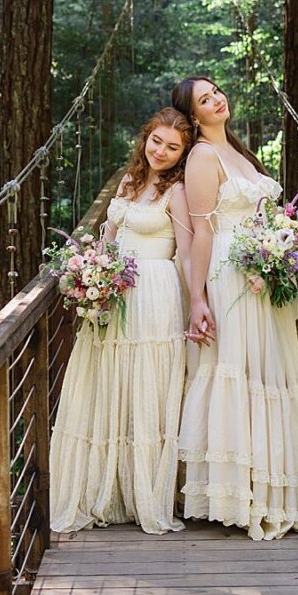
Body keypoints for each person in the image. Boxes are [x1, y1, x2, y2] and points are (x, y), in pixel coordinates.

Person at [171, 76, 298, 540]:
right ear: (194, 116)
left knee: (268, 373)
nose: (218, 99)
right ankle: (234, 495)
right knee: (238, 370)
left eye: (216, 92)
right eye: (205, 99)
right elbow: (201, 233)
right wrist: (198, 300)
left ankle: (268, 490)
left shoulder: (238, 150)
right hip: (230, 275)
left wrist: (281, 247)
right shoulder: (201, 157)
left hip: (263, 275)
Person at [48, 107, 195, 534]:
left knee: (145, 384)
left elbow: (185, 253)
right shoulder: (129, 180)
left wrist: (201, 303)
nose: (161, 152)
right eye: (156, 141)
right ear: (145, 137)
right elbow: (108, 237)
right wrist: (88, 271)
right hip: (112, 294)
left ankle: (146, 492)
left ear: (183, 153)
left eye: (172, 147)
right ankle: (108, 489)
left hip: (154, 294)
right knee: (110, 382)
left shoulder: (180, 192)